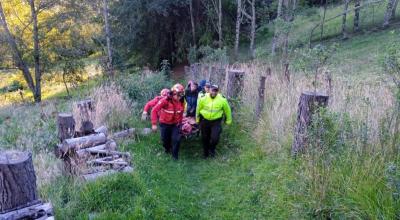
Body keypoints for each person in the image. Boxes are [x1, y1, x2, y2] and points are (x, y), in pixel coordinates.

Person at [196, 84, 232, 158]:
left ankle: (212, 149)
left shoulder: (222, 99)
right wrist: (197, 119)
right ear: (209, 90)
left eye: (216, 91)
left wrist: (228, 120)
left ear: (218, 91)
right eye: (212, 90)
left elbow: (227, 110)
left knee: (215, 138)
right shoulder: (203, 98)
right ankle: (205, 153)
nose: (214, 92)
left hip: (216, 122)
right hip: (204, 120)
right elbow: (198, 108)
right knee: (205, 138)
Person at [151, 84, 185, 160]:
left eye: (181, 95)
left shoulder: (181, 101)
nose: (180, 97)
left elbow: (181, 112)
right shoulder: (165, 100)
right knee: (165, 140)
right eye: (179, 95)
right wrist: (154, 124)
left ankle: (175, 157)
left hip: (175, 124)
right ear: (174, 93)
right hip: (164, 124)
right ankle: (167, 149)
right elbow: (154, 110)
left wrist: (180, 122)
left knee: (176, 139)